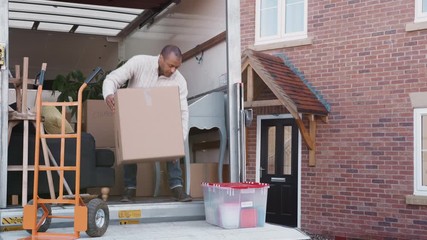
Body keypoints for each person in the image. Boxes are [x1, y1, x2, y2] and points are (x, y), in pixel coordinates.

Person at [102, 45, 192, 202]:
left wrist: (179, 142)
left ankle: (177, 187)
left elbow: (183, 113)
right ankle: (129, 190)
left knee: (174, 140)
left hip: (162, 124)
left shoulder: (180, 81)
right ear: (161, 58)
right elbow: (112, 78)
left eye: (176, 67)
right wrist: (109, 94)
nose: (173, 71)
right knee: (129, 140)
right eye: (170, 65)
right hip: (135, 122)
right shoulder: (139, 63)